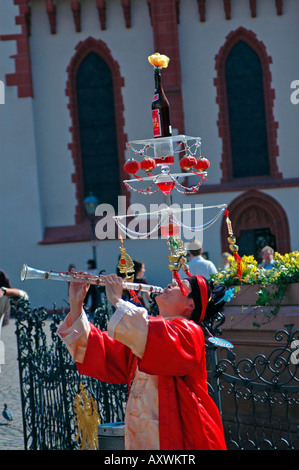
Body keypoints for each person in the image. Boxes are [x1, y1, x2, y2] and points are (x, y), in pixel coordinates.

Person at [57, 271, 227, 450]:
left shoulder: (190, 331)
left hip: (180, 437)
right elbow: (97, 346)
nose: (170, 285)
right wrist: (76, 302)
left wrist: (117, 299)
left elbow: (155, 335)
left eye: (179, 284)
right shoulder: (147, 333)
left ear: (190, 304)